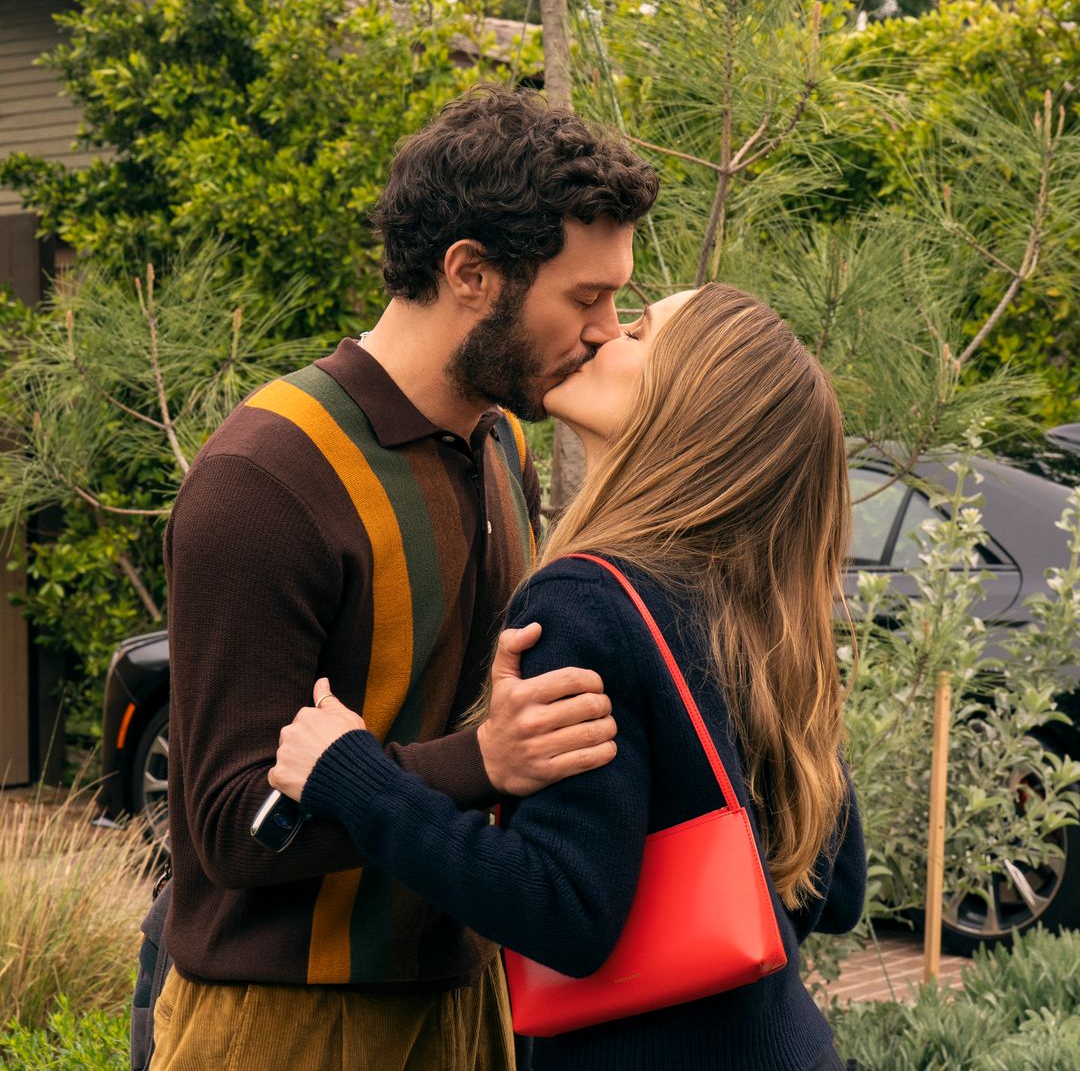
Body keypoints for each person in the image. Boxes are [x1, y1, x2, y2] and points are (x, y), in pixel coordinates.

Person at [152, 86, 660, 1071]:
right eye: (584, 298)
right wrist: (483, 763)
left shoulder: (500, 442)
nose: (605, 331)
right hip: (282, 1022)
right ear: (473, 273)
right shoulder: (265, 478)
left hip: (467, 1003)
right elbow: (231, 824)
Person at [271, 282, 868, 1071]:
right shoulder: (756, 608)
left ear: (686, 403)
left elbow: (562, 911)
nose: (605, 333)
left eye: (641, 329)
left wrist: (355, 778)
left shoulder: (587, 600)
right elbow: (838, 890)